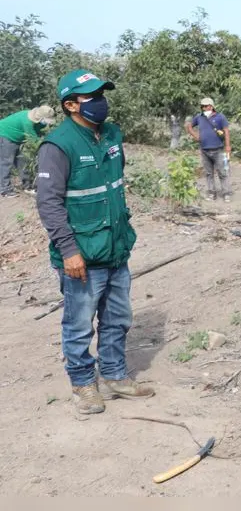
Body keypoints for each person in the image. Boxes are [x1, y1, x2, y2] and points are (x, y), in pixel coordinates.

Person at [35, 69, 155, 415]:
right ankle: (83, 384)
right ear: (71, 104)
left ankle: (116, 376)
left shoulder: (113, 134)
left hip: (115, 249)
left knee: (118, 318)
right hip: (82, 256)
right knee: (78, 324)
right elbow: (49, 203)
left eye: (102, 94)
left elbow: (114, 186)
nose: (101, 102)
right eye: (92, 97)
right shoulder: (58, 146)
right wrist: (69, 251)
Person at [0, 105, 55, 196]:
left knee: (22, 161)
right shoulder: (27, 122)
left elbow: (39, 132)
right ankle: (5, 189)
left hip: (16, 138)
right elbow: (34, 140)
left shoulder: (36, 120)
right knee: (6, 163)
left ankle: (28, 186)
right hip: (5, 135)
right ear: (40, 117)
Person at [185, 96, 233, 202]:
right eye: (202, 106)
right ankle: (212, 193)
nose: (204, 108)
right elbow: (189, 126)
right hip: (204, 150)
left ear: (211, 106)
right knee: (208, 173)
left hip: (218, 149)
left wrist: (228, 146)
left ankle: (226, 193)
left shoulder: (220, 117)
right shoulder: (199, 117)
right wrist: (195, 136)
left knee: (222, 172)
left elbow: (226, 131)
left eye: (206, 106)